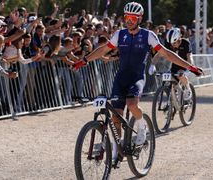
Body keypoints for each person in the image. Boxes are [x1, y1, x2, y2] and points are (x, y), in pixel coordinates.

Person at [73, 1, 202, 160]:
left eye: (133, 18)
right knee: (116, 117)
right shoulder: (120, 34)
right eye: (127, 17)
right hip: (120, 78)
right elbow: (103, 49)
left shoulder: (148, 35)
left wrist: (190, 67)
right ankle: (117, 149)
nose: (129, 20)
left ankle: (142, 127)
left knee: (132, 104)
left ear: (139, 19)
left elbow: (167, 54)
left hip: (137, 78)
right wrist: (84, 60)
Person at [149, 27, 194, 100]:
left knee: (180, 75)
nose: (173, 45)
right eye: (171, 43)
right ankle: (170, 102)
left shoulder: (186, 43)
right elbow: (159, 54)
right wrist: (152, 65)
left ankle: (188, 88)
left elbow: (189, 57)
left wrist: (190, 68)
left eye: (175, 43)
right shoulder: (168, 44)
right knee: (171, 82)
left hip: (185, 64)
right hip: (174, 64)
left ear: (179, 39)